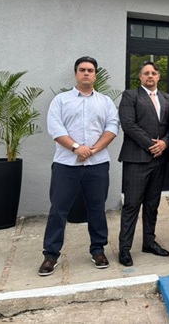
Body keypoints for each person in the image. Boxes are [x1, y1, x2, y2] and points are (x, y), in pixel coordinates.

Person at [39, 56, 119, 276]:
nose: (86, 73)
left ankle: (98, 250)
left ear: (95, 75)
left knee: (97, 209)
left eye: (90, 70)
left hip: (97, 165)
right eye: (82, 70)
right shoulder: (61, 100)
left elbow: (112, 127)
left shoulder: (105, 102)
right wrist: (76, 148)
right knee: (58, 209)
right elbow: (55, 128)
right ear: (76, 74)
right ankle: (51, 255)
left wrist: (92, 150)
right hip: (66, 165)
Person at [118, 61, 169, 267]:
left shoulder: (167, 99)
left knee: (152, 205)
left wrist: (165, 143)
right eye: (146, 73)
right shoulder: (130, 96)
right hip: (136, 159)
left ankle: (149, 243)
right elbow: (128, 124)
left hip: (159, 160)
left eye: (153, 73)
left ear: (158, 76)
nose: (150, 76)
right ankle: (124, 249)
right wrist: (152, 145)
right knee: (132, 205)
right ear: (140, 77)